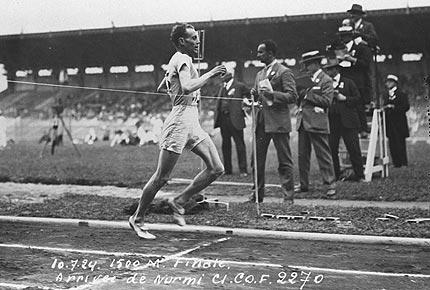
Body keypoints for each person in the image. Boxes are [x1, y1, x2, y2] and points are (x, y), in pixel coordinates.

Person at [129, 23, 226, 239]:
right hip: (180, 120)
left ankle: (179, 202)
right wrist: (211, 72)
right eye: (193, 38)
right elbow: (187, 87)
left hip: (191, 120)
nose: (197, 41)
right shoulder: (182, 58)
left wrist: (169, 81)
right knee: (162, 177)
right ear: (182, 41)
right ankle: (137, 218)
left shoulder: (179, 60)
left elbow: (162, 87)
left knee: (217, 168)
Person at [247, 39, 297, 204]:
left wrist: (272, 94)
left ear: (270, 53)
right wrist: (254, 94)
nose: (258, 54)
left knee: (284, 160)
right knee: (257, 161)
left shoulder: (284, 72)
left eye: (261, 52)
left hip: (278, 122)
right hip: (261, 122)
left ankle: (288, 197)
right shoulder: (259, 74)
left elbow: (292, 96)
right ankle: (257, 196)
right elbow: (258, 97)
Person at [295, 50, 336, 196]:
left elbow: (327, 101)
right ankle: (303, 184)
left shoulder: (326, 80)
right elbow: (300, 100)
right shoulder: (305, 79)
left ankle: (330, 184)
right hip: (303, 122)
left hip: (317, 122)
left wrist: (307, 94)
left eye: (308, 64)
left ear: (316, 64)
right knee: (302, 156)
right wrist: (299, 95)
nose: (306, 67)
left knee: (323, 155)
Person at [324, 57, 364, 181]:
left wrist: (344, 98)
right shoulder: (326, 84)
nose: (327, 72)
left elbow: (358, 99)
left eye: (329, 69)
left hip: (348, 121)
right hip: (332, 120)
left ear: (336, 69)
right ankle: (335, 175)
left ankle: (359, 175)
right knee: (331, 149)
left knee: (353, 149)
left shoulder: (348, 82)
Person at [214, 66, 250, 176]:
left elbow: (249, 96)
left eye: (224, 74)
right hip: (223, 120)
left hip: (236, 119)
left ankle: (243, 169)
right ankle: (227, 169)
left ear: (230, 75)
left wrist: (245, 104)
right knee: (225, 145)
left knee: (239, 144)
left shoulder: (239, 86)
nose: (222, 77)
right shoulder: (222, 88)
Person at [337, 26, 373, 136]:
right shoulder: (339, 48)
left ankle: (363, 129)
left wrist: (352, 59)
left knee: (358, 105)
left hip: (357, 81)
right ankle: (348, 129)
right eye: (342, 36)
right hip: (344, 79)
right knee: (346, 105)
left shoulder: (360, 47)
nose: (343, 38)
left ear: (351, 36)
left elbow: (366, 64)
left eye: (346, 35)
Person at [383, 74, 410, 167]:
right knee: (392, 143)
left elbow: (406, 107)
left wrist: (394, 107)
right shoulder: (385, 95)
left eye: (390, 81)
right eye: (387, 82)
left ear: (395, 83)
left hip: (399, 122)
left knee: (400, 143)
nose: (388, 83)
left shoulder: (402, 94)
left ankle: (403, 162)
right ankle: (396, 162)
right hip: (390, 123)